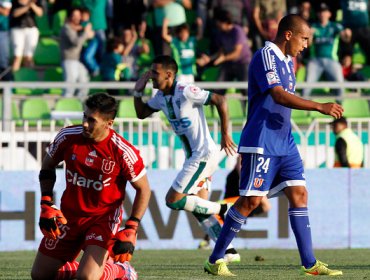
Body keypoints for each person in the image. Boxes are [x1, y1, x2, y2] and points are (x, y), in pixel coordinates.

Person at [204, 14, 344, 276]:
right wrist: (318, 105)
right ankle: (214, 259)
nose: (306, 45)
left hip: (285, 140)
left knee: (300, 194)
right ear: (288, 35)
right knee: (250, 201)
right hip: (262, 140)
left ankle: (310, 263)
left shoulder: (289, 60)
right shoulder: (265, 56)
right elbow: (278, 95)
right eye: (304, 39)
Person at [30, 92, 151, 280]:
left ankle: (122, 270)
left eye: (92, 120)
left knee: (86, 278)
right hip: (69, 216)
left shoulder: (122, 150)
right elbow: (47, 166)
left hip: (102, 219)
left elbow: (144, 189)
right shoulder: (68, 136)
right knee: (40, 275)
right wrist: (46, 202)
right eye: (85, 117)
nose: (85, 123)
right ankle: (89, 268)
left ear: (108, 123)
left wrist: (131, 227)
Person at [133, 55, 241, 263]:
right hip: (193, 156)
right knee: (199, 207)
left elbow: (221, 100)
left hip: (203, 155)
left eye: (155, 73)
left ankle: (223, 208)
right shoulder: (160, 97)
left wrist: (225, 134)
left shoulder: (186, 91)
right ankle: (228, 250)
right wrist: (138, 91)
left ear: (169, 75)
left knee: (173, 201)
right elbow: (141, 113)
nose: (151, 76)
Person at [302, 2, 350, 99]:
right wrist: (310, 36)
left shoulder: (335, 26)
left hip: (332, 60)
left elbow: (345, 39)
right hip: (315, 60)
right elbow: (307, 45)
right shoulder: (313, 27)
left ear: (329, 14)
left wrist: (348, 35)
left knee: (340, 86)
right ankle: (304, 110)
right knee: (306, 87)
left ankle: (340, 109)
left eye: (324, 12)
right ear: (317, 14)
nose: (322, 14)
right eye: (320, 12)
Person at [59, 7, 93, 98]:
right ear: (70, 17)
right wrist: (86, 33)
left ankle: (79, 105)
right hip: (69, 60)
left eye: (79, 15)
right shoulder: (66, 28)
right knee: (70, 87)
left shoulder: (76, 29)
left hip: (77, 60)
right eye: (75, 15)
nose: (78, 18)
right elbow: (76, 42)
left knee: (84, 83)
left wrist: (86, 33)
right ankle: (64, 106)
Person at [10, 0, 43, 71]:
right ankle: (14, 78)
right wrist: (27, 6)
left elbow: (40, 13)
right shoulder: (14, 2)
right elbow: (15, 13)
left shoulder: (36, 2)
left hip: (31, 28)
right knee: (17, 56)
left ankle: (28, 78)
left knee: (29, 57)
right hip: (17, 28)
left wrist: (32, 5)